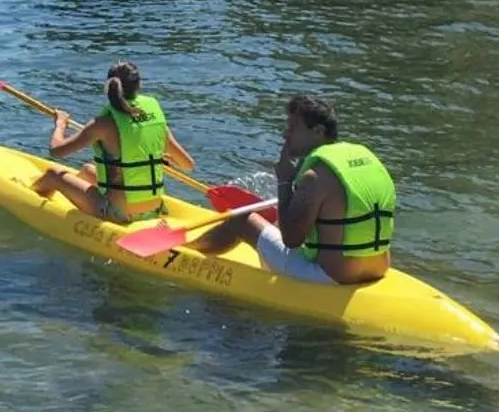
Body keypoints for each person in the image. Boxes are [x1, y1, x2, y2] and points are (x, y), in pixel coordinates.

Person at [195, 94, 395, 285]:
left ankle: (187, 250)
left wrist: (285, 181)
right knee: (275, 222)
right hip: (378, 269)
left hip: (330, 277)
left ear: (317, 131)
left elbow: (290, 240)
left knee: (241, 220)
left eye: (292, 129)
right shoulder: (367, 159)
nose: (285, 134)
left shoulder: (314, 177)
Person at [33, 61, 196, 223]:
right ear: (139, 85)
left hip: (118, 213)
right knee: (87, 171)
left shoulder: (102, 124)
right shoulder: (156, 121)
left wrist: (60, 124)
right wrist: (165, 158)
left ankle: (30, 201)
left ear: (108, 87)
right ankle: (78, 197)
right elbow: (188, 165)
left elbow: (56, 150)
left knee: (53, 175)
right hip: (153, 209)